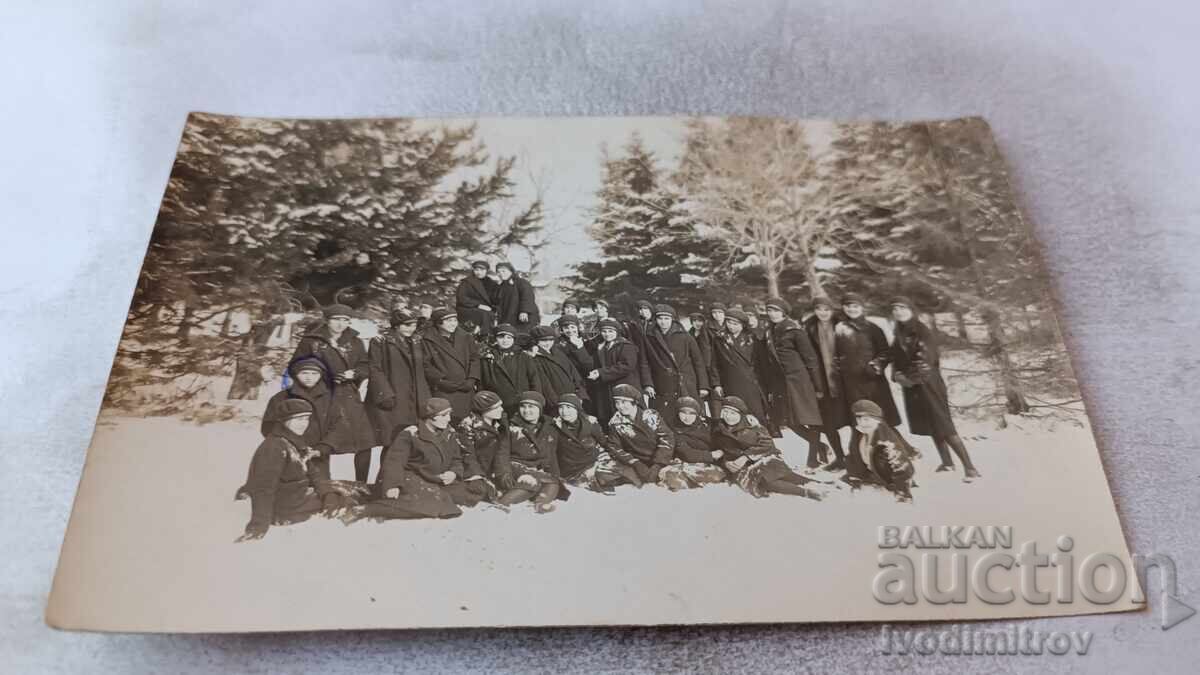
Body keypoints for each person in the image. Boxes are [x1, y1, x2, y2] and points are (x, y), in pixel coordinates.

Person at [236, 399, 369, 540]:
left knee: (353, 487)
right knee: (350, 496)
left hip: (299, 496)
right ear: (284, 421)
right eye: (298, 419)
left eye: (306, 419)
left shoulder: (294, 440)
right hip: (288, 506)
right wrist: (258, 526)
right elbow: (264, 489)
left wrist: (327, 493)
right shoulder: (274, 447)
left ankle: (378, 496)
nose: (303, 424)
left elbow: (313, 474)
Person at [889, 297, 981, 481]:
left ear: (911, 310)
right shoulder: (899, 331)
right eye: (895, 308)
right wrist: (897, 374)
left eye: (903, 308)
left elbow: (925, 360)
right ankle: (947, 463)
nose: (899, 311)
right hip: (913, 385)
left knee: (943, 424)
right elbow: (895, 357)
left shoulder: (921, 331)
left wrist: (909, 379)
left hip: (928, 384)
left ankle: (970, 468)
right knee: (931, 424)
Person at [291, 304, 377, 482]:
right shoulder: (312, 341)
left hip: (349, 396)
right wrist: (321, 376)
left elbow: (365, 366)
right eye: (336, 320)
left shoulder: (355, 341)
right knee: (320, 441)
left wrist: (354, 374)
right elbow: (296, 366)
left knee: (364, 441)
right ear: (327, 321)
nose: (340, 324)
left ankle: (361, 483)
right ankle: (318, 482)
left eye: (345, 320)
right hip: (320, 397)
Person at [366, 398, 491, 520]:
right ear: (430, 417)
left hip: (437, 480)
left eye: (449, 414)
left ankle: (424, 496)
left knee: (473, 491)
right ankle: (369, 509)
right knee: (435, 502)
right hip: (413, 477)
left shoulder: (449, 433)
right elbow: (395, 462)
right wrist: (392, 485)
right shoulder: (411, 434)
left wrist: (453, 473)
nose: (449, 419)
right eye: (444, 415)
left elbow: (456, 459)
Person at [761, 297, 828, 468]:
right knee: (790, 421)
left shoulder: (794, 330)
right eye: (769, 310)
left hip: (799, 380)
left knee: (810, 420)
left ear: (784, 312)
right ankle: (819, 445)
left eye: (776, 310)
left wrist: (818, 386)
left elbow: (810, 359)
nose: (772, 314)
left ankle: (812, 458)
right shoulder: (769, 331)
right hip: (781, 384)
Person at [712, 396, 823, 500]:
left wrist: (746, 456)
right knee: (766, 482)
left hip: (762, 458)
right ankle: (805, 492)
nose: (728, 416)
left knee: (785, 475)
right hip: (741, 468)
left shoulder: (753, 426)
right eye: (725, 412)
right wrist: (726, 463)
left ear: (741, 414)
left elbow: (767, 444)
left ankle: (819, 484)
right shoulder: (719, 430)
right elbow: (720, 451)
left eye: (733, 413)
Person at [366, 307, 429, 449]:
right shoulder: (380, 341)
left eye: (414, 325)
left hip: (415, 398)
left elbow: (424, 365)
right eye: (407, 325)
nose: (411, 328)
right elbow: (375, 369)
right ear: (396, 325)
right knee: (393, 442)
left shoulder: (416, 341)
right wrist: (385, 395)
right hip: (394, 396)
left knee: (414, 443)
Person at [835, 293, 902, 427]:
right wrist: (839, 368)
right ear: (843, 308)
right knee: (858, 419)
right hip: (851, 382)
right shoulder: (839, 327)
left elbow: (885, 352)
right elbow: (835, 352)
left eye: (855, 306)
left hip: (873, 381)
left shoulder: (872, 328)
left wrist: (875, 366)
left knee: (879, 419)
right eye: (848, 306)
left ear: (862, 307)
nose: (852, 309)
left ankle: (889, 441)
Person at [494, 391, 567, 512]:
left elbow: (551, 453)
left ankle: (541, 503)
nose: (526, 411)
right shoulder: (510, 426)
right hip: (515, 465)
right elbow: (502, 452)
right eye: (523, 406)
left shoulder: (549, 426)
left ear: (539, 409)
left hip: (535, 467)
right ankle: (503, 503)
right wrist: (504, 474)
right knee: (532, 481)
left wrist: (555, 474)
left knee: (553, 482)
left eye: (531, 407)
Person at [802, 296, 850, 470]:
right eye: (818, 309)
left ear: (832, 310)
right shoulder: (809, 327)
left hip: (846, 380)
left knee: (855, 420)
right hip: (823, 381)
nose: (822, 313)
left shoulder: (843, 324)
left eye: (826, 309)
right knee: (828, 422)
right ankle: (840, 457)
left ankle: (859, 458)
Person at [641, 304, 709, 421]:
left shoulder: (685, 336)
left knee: (688, 415)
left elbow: (698, 362)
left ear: (672, 319)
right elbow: (644, 361)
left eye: (666, 318)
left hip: (685, 382)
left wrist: (703, 385)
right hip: (661, 384)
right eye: (660, 318)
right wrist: (648, 383)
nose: (663, 322)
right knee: (664, 418)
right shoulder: (649, 337)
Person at [844, 399, 920, 502]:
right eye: (858, 419)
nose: (862, 423)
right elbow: (853, 457)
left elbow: (901, 465)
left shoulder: (885, 440)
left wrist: (902, 489)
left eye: (866, 419)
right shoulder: (859, 435)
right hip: (871, 474)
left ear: (877, 420)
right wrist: (855, 477)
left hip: (889, 479)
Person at [604, 383, 674, 487]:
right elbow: (614, 446)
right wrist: (635, 463)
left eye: (624, 402)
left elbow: (667, 438)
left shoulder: (651, 416)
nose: (620, 406)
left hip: (658, 458)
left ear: (634, 402)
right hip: (636, 461)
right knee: (603, 474)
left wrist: (658, 464)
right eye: (617, 403)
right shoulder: (615, 422)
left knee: (676, 477)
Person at [710, 309, 771, 425]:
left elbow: (762, 363)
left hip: (752, 383)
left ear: (743, 325)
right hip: (730, 382)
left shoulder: (754, 338)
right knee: (735, 415)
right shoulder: (719, 338)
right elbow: (715, 363)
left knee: (756, 415)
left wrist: (766, 385)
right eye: (729, 322)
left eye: (735, 324)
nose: (731, 326)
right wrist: (716, 384)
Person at [422, 307, 481, 424]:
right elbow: (426, 364)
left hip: (465, 388)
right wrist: (440, 381)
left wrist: (472, 379)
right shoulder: (428, 339)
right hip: (445, 390)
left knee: (467, 422)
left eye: (455, 320)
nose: (453, 324)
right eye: (449, 321)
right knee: (447, 421)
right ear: (438, 323)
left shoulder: (465, 336)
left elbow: (474, 359)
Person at [551, 393, 621, 490]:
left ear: (577, 409)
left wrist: (619, 456)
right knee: (590, 485)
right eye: (561, 407)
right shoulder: (555, 427)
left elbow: (605, 443)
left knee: (615, 475)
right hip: (572, 470)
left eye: (568, 407)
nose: (564, 411)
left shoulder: (589, 423)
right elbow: (551, 453)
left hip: (592, 463)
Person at [586, 318, 644, 429]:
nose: (607, 334)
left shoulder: (626, 346)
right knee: (612, 416)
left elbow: (627, 366)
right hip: (608, 388)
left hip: (625, 386)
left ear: (617, 332)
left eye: (610, 331)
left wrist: (601, 372)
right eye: (604, 331)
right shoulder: (601, 347)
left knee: (629, 414)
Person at [659, 396, 728, 491]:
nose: (687, 417)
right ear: (677, 413)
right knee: (670, 479)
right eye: (683, 412)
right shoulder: (674, 429)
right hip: (690, 463)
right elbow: (687, 453)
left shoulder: (708, 424)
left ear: (697, 414)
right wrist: (711, 455)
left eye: (692, 413)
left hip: (712, 465)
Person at [480, 323, 539, 415]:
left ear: (514, 339)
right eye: (501, 337)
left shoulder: (523, 356)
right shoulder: (488, 357)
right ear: (496, 338)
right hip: (497, 404)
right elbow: (483, 382)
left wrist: (535, 400)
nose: (505, 341)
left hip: (521, 403)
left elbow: (534, 379)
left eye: (509, 337)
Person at [529, 325, 589, 412]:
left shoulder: (558, 352)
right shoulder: (535, 358)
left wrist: (581, 394)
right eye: (543, 340)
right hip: (557, 404)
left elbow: (574, 373)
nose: (548, 343)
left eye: (551, 340)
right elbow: (545, 385)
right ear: (535, 341)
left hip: (574, 398)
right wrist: (556, 404)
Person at [456, 391, 507, 482]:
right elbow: (467, 454)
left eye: (500, 406)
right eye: (496, 407)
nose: (501, 409)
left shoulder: (501, 423)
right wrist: (478, 476)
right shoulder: (467, 426)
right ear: (484, 410)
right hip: (479, 472)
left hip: (498, 469)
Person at [493, 262, 540, 333]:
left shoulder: (521, 282)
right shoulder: (501, 286)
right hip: (508, 315)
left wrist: (524, 311)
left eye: (503, 271)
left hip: (523, 316)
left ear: (511, 271)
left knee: (523, 334)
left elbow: (527, 297)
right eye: (498, 272)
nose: (501, 274)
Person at [455, 259, 497, 336]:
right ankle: (484, 336)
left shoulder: (491, 283)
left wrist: (495, 307)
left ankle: (489, 335)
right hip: (467, 308)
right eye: (476, 270)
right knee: (484, 314)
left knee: (491, 314)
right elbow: (462, 298)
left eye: (482, 270)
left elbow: (495, 298)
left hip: (485, 309)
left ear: (486, 271)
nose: (479, 272)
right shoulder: (467, 282)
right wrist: (478, 305)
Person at [553, 314, 595, 382]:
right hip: (569, 379)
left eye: (573, 327)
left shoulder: (587, 341)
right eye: (566, 328)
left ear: (577, 327)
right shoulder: (558, 344)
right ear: (562, 330)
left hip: (587, 378)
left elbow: (590, 366)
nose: (570, 330)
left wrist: (580, 347)